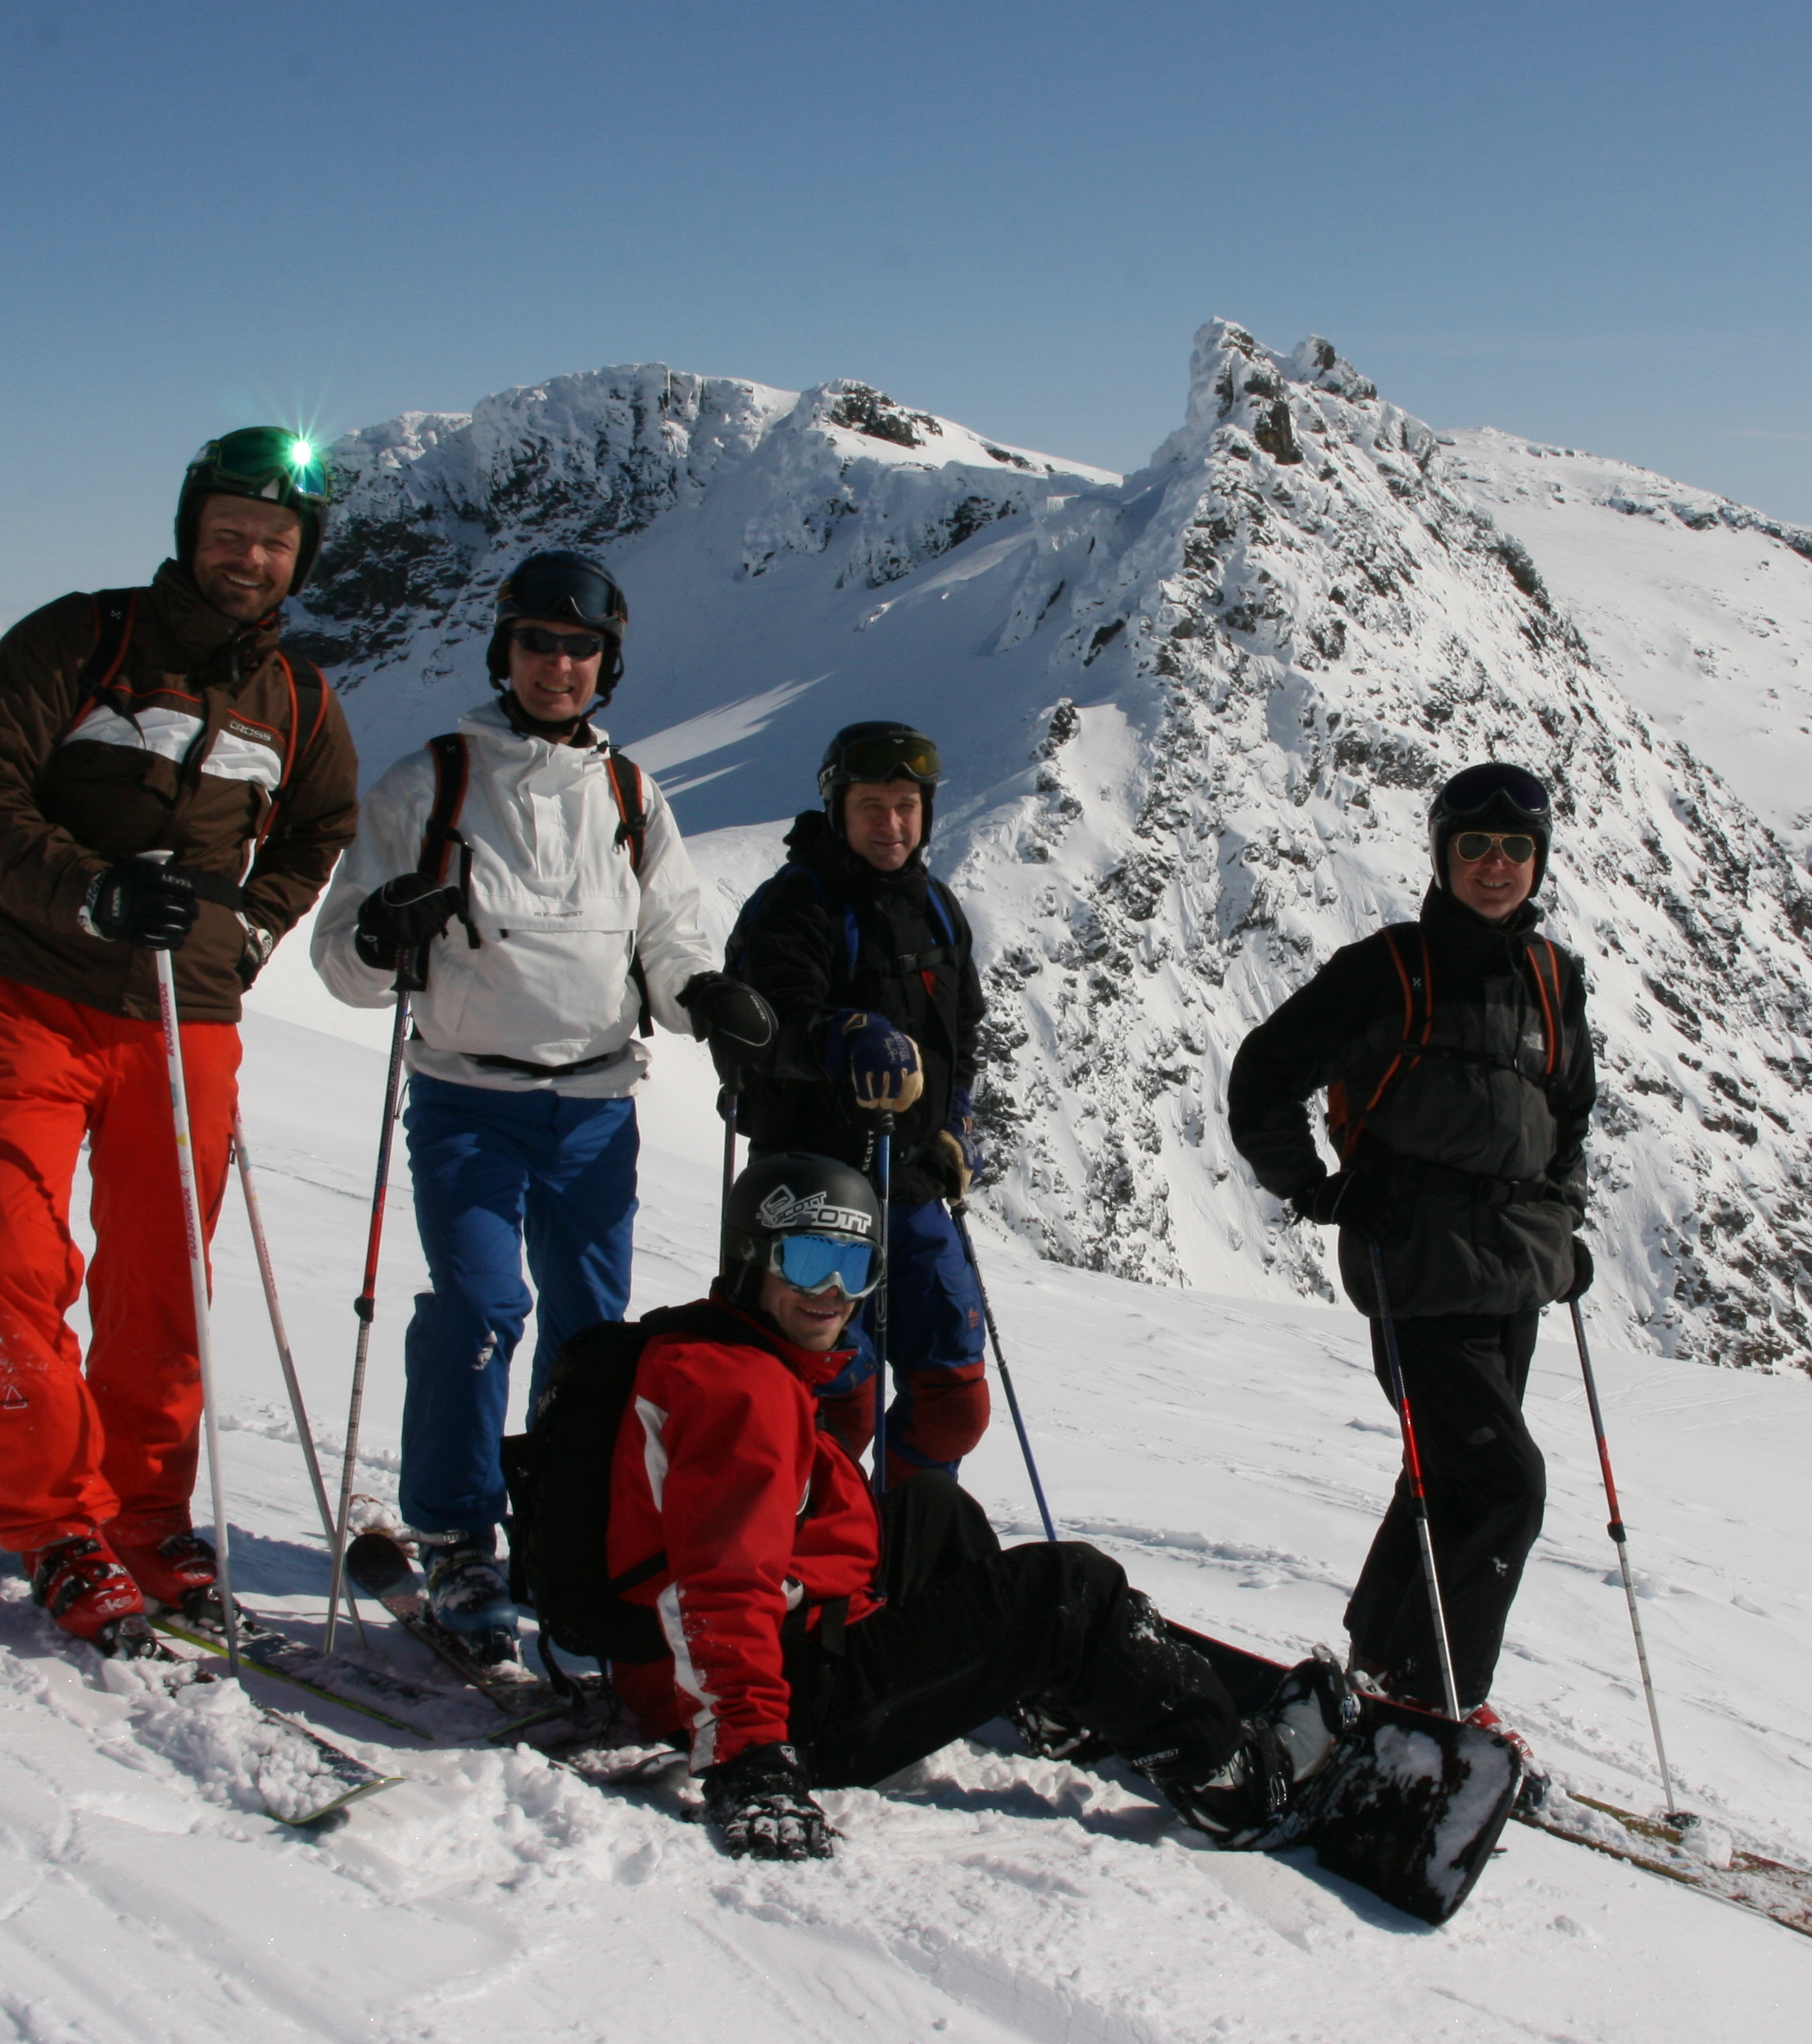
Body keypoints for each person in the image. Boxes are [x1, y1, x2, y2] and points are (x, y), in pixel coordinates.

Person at [0, 427, 360, 1652]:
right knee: (10, 1271)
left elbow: (314, 831)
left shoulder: (302, 701)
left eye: (275, 541)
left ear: (301, 559)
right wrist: (90, 889)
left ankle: (147, 1513)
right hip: (29, 993)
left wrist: (239, 934)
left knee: (161, 1286)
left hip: (185, 1020)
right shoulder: (81, 639)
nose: (249, 556)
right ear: (190, 533)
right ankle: (54, 1518)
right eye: (229, 531)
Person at [598, 1153, 1331, 1860]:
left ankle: (1045, 1693)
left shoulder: (719, 1345)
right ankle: (1233, 1781)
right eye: (805, 1260)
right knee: (1067, 1592)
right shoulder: (743, 1395)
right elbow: (720, 1590)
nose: (830, 1290)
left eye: (854, 1267)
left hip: (782, 1642)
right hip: (798, 1711)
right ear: (752, 1258)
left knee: (928, 1506)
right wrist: (753, 1760)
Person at [309, 551, 776, 1660]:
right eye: (539, 644)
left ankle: (565, 1522)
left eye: (579, 650)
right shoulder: (431, 783)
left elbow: (667, 934)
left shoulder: (628, 795)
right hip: (469, 1099)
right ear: (504, 652)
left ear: (606, 665)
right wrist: (382, 939)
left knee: (589, 1340)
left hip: (597, 1109)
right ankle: (459, 1528)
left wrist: (699, 991)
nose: (558, 666)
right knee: (478, 1313)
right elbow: (342, 958)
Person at [1224, 761, 1594, 1721]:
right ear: (1442, 854)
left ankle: (1381, 1668)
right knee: (1505, 1487)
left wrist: (1565, 1221)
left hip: (1516, 1275)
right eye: (1475, 847)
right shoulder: (1387, 971)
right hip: (1416, 1268)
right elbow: (1264, 1077)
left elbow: (1568, 1116)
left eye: (1517, 848)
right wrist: (1316, 1189)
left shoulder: (1554, 980)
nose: (1497, 866)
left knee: (1442, 1476)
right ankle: (1439, 1708)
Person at [723, 723, 991, 1483]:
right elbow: (764, 1025)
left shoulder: (937, 908)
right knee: (839, 1395)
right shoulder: (795, 905)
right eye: (872, 805)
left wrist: (955, 1119)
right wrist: (843, 1036)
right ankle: (817, 1550)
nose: (892, 824)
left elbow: (962, 1029)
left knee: (952, 1403)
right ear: (839, 809)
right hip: (811, 1190)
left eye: (906, 805)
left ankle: (910, 1548)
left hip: (909, 1184)